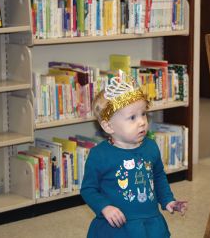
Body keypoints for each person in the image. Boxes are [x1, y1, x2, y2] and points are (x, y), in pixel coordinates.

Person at [80, 72, 187, 238]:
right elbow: (89, 189)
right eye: (132, 117)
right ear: (108, 126)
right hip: (118, 227)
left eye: (143, 114)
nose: (142, 121)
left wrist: (168, 200)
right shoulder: (99, 155)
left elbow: (158, 177)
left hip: (150, 224)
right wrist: (104, 207)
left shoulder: (151, 147)